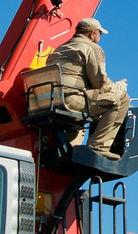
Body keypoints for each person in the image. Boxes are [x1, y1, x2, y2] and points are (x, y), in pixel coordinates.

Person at [49, 17, 131, 157]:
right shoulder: (92, 48)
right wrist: (119, 86)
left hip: (51, 100)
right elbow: (100, 83)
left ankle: (69, 152)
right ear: (92, 34)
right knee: (122, 99)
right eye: (99, 34)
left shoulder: (60, 48)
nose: (100, 37)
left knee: (86, 108)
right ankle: (98, 147)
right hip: (71, 99)